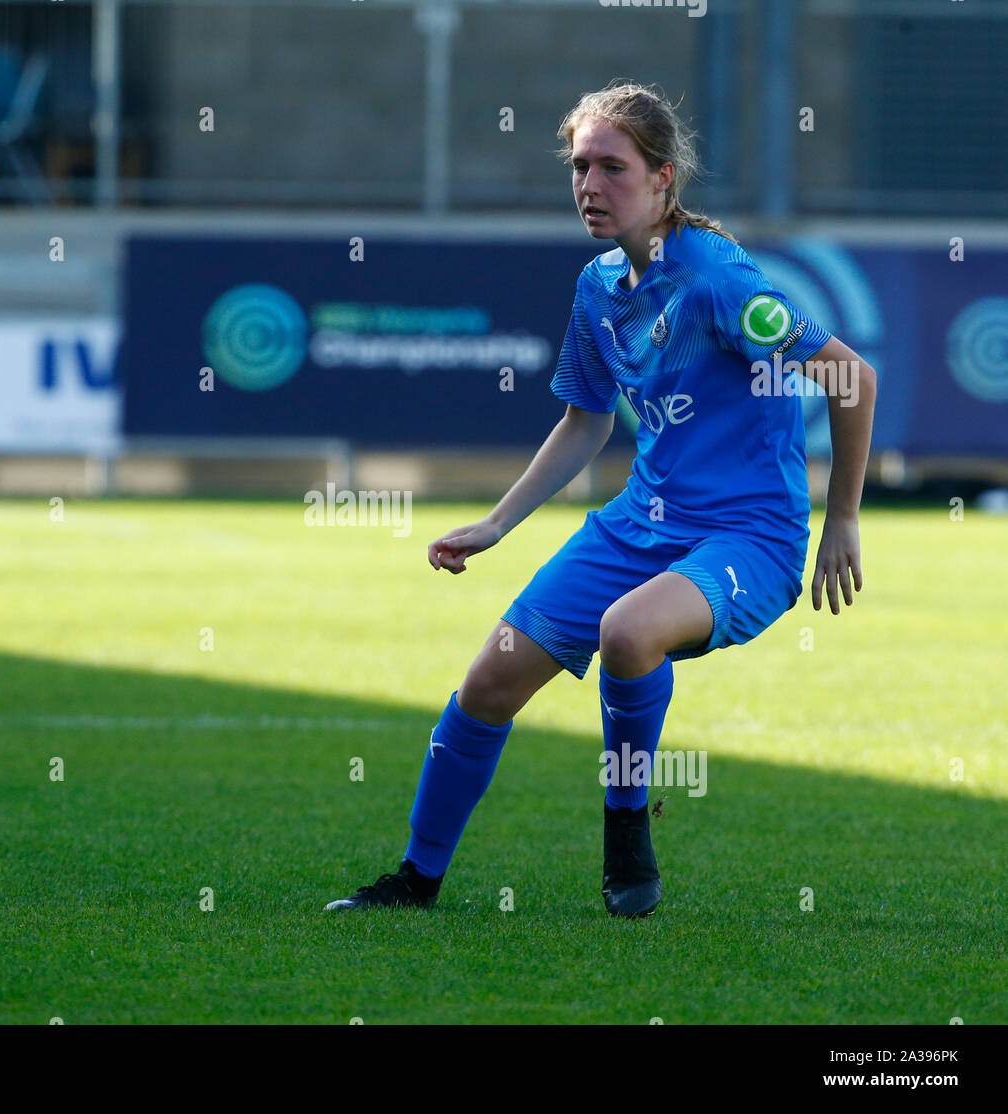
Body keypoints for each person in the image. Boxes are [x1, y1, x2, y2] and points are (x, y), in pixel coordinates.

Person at [324, 80, 875, 918]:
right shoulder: (598, 287)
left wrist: (839, 521)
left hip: (746, 538)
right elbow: (584, 424)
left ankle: (626, 829)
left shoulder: (718, 282)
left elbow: (851, 374)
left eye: (611, 168)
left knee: (628, 633)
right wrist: (498, 523)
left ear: (663, 179)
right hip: (638, 525)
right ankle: (415, 880)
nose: (589, 185)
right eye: (579, 167)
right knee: (487, 684)